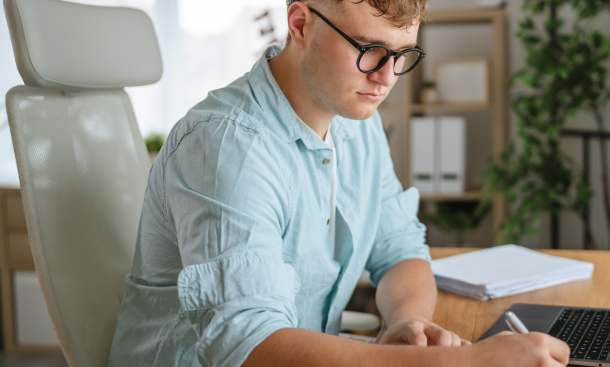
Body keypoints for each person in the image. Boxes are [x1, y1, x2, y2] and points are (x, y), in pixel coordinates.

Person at [107, 0, 570, 366]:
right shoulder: (227, 144)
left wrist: (407, 321)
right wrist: (466, 364)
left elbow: (401, 248)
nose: (387, 77)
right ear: (301, 24)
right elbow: (248, 348)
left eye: (401, 54)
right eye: (369, 50)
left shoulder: (355, 117)